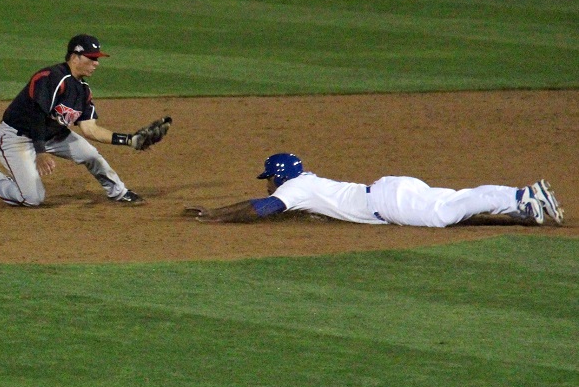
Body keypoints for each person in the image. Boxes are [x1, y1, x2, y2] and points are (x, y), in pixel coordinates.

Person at [0, 34, 165, 207]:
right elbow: (37, 114)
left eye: (97, 59)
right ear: (75, 57)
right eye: (91, 58)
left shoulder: (83, 90)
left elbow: (90, 129)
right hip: (17, 137)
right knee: (32, 199)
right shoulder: (51, 77)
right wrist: (40, 152)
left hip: (53, 135)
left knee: (91, 155)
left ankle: (119, 192)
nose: (96, 63)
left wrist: (129, 140)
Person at [185, 153, 564, 227]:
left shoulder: (295, 189)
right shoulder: (306, 183)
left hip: (388, 200)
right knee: (450, 203)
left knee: (444, 212)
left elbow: (262, 208)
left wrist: (215, 214)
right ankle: (521, 206)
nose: (267, 182)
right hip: (390, 192)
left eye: (268, 177)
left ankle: (521, 196)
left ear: (278, 177)